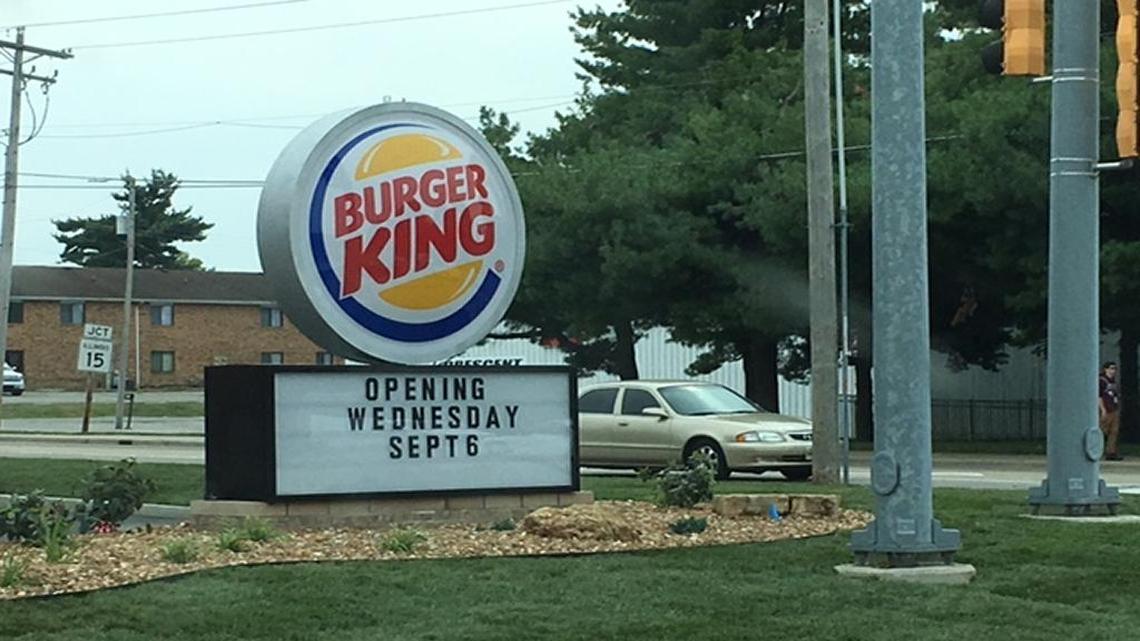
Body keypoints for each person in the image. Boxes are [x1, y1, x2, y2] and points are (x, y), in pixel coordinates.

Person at [1099, 362, 1123, 461]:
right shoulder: (1101, 381)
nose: (1113, 371)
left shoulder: (1113, 381)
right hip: (1106, 409)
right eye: (1111, 368)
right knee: (1102, 431)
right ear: (1105, 369)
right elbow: (1099, 396)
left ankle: (1111, 452)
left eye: (1114, 369)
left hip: (1114, 408)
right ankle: (1096, 450)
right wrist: (1102, 409)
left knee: (1114, 431)